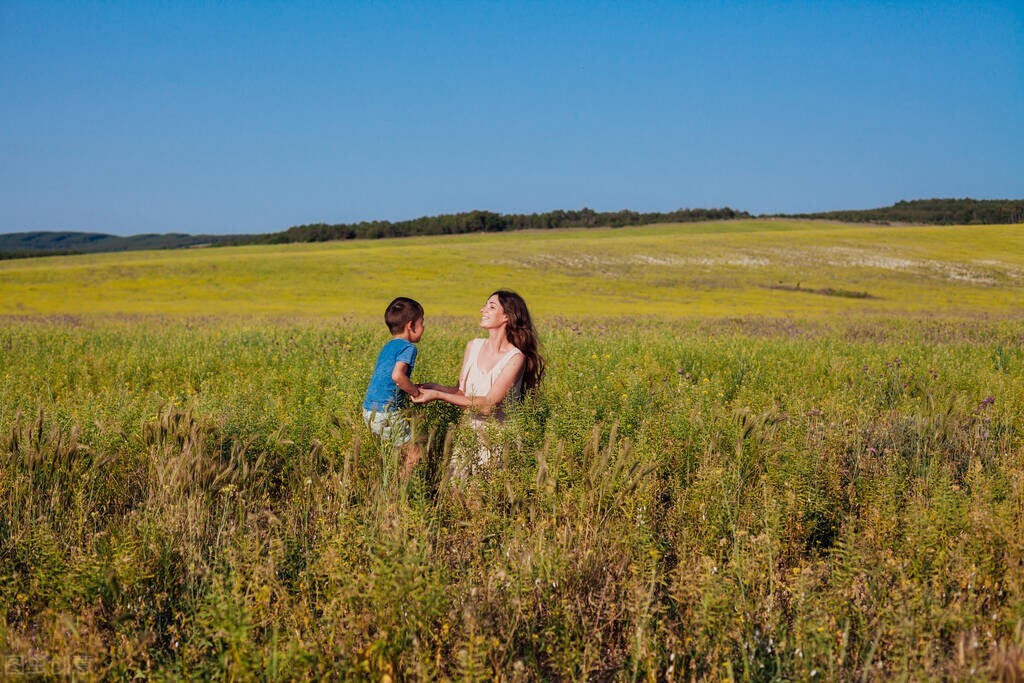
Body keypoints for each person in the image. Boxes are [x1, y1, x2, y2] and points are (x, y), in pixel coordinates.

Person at [413, 290, 544, 472]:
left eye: (491, 306)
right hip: (469, 436)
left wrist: (437, 395)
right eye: (485, 305)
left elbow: (489, 405)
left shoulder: (515, 358)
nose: (483, 310)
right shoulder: (473, 346)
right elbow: (462, 393)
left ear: (507, 316)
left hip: (497, 440)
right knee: (455, 494)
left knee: (480, 497)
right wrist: (431, 387)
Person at [362, 296, 425, 477]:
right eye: (422, 323)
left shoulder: (388, 346)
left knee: (398, 452)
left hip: (369, 410)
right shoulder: (408, 348)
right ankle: (399, 490)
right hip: (386, 412)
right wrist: (415, 392)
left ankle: (391, 482)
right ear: (411, 325)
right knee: (415, 453)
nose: (424, 328)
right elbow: (397, 375)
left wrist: (410, 385)